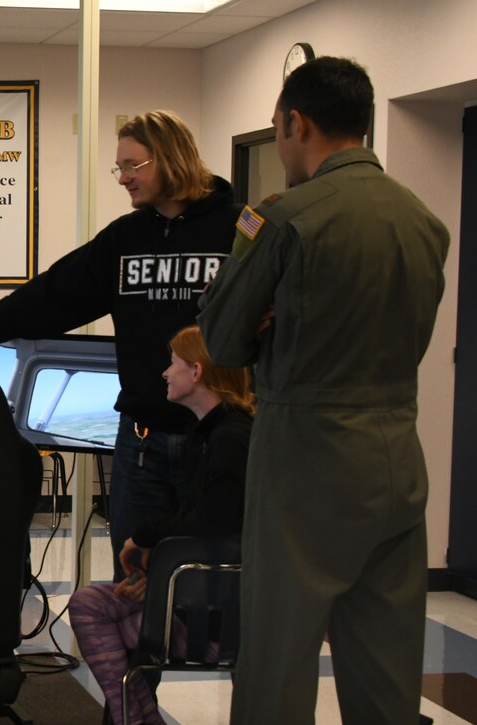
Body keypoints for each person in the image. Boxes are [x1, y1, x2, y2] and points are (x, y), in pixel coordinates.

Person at [197, 57, 450, 725]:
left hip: (305, 460)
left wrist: (257, 317)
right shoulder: (423, 221)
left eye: (278, 132)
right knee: (387, 659)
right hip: (396, 456)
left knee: (278, 655)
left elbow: (220, 342)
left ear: (294, 122)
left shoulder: (283, 218)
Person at [0, 110, 240, 575]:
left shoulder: (239, 230)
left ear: (170, 158)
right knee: (135, 570)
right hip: (143, 439)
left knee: (217, 572)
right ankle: (137, 651)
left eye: (133, 166)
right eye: (119, 168)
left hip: (221, 440)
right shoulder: (126, 239)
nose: (123, 178)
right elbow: (56, 293)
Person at [67, 325, 253, 723]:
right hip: (203, 600)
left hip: (214, 621)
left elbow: (212, 522)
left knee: (95, 615)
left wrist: (144, 537)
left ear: (197, 371)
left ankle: (136, 719)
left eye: (173, 364)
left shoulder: (230, 439)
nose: (165, 373)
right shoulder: (216, 434)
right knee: (87, 602)